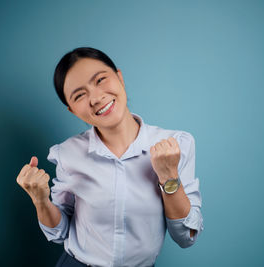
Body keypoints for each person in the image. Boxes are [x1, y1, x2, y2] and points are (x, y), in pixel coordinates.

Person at [16, 47, 204, 267]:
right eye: (79, 95)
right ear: (73, 111)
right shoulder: (68, 154)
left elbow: (186, 236)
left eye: (100, 80)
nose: (96, 98)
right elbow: (60, 232)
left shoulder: (176, 144)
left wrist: (169, 176)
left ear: (120, 78)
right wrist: (40, 200)